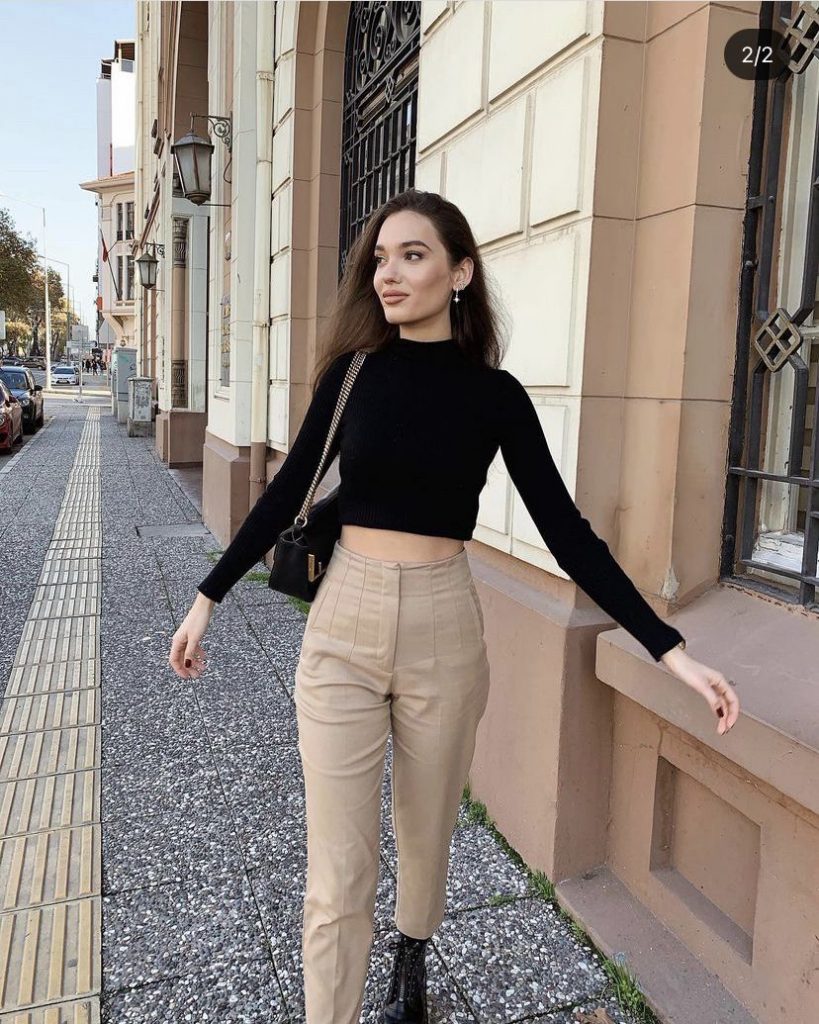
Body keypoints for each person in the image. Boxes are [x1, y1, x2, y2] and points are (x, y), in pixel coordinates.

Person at [168, 189, 739, 1024]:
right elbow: (287, 487)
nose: (387, 273)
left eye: (412, 255)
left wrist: (669, 649)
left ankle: (412, 957)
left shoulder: (495, 398)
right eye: (380, 257)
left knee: (427, 830)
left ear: (459, 271)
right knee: (337, 872)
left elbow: (568, 534)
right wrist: (205, 597)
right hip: (344, 627)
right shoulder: (351, 375)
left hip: (444, 627)